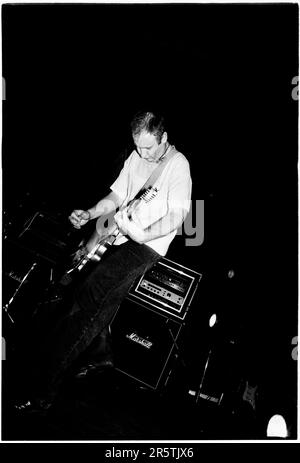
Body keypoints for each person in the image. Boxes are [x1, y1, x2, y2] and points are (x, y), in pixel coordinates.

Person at [14, 110, 192, 412]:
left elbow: (178, 216)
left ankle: (43, 388)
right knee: (93, 304)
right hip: (121, 239)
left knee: (89, 298)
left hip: (146, 247)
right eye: (138, 146)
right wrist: (91, 212)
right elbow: (118, 195)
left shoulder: (178, 165)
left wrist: (142, 233)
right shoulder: (136, 158)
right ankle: (100, 350)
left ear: (164, 138)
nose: (142, 153)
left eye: (148, 147)